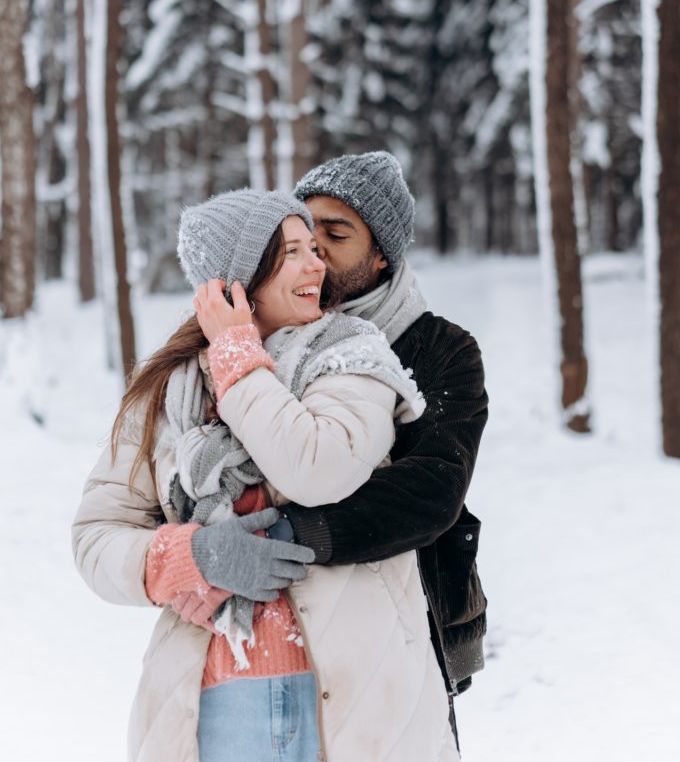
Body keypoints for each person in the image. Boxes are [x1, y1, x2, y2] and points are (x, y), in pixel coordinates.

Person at [73, 188, 457, 762]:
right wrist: (190, 557)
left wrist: (235, 356)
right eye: (292, 252)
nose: (317, 264)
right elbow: (96, 537)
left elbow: (317, 469)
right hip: (213, 705)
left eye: (315, 248)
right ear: (237, 280)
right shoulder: (165, 394)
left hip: (357, 696)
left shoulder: (352, 356)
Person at [272, 151, 489, 752]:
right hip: (294, 618)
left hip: (416, 617)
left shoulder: (442, 349)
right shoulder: (274, 339)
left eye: (336, 234)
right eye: (303, 230)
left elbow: (431, 490)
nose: (313, 249)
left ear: (382, 254)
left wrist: (288, 534)